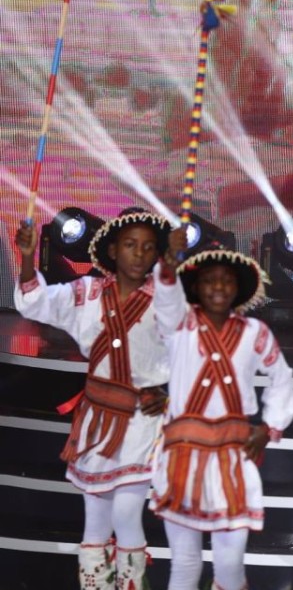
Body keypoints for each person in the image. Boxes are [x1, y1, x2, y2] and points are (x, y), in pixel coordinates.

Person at [13, 209, 171, 590]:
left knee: (127, 511)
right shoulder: (86, 293)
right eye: (130, 245)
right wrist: (28, 258)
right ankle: (95, 584)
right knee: (96, 516)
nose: (138, 254)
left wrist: (169, 394)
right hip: (98, 419)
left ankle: (131, 583)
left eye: (148, 247)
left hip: (141, 421)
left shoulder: (167, 302)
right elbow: (35, 302)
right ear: (112, 250)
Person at [150, 237, 293, 590]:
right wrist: (168, 263)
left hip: (232, 455)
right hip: (183, 455)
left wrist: (269, 427)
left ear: (238, 289)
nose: (218, 287)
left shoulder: (254, 332)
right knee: (185, 564)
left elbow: (281, 376)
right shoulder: (179, 324)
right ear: (195, 288)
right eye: (209, 280)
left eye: (227, 280)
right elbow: (166, 297)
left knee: (230, 565)